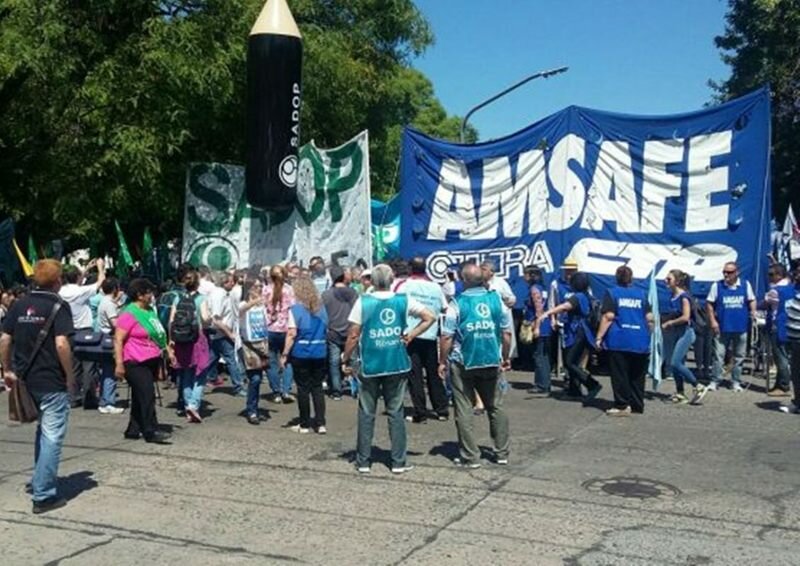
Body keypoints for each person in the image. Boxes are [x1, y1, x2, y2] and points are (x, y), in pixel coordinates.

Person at [342, 264, 435, 474]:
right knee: (396, 411)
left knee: (367, 411)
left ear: (373, 282)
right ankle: (398, 461)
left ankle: (363, 460)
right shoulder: (403, 300)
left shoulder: (363, 302)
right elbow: (430, 316)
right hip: (395, 361)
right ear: (392, 279)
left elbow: (354, 334)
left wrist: (346, 357)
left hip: (371, 363)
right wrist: (411, 334)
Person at [0, 260, 75, 514]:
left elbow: (4, 338)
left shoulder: (19, 304)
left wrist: (7, 369)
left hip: (25, 379)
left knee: (42, 432)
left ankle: (38, 481)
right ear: (57, 281)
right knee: (52, 435)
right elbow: (62, 344)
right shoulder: (58, 306)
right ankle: (44, 495)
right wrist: (70, 375)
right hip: (52, 379)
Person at [439, 263, 512, 468]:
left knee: (464, 408)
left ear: (463, 281)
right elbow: (506, 333)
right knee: (495, 406)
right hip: (490, 359)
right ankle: (501, 452)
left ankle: (470, 456)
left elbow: (447, 336)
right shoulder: (497, 300)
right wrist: (505, 357)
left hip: (463, 362)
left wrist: (442, 361)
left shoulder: (457, 303)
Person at [113, 278, 171, 444]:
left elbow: (158, 333)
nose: (151, 295)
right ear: (139, 295)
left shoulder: (150, 311)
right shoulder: (129, 313)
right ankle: (150, 429)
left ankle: (133, 429)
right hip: (134, 361)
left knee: (140, 396)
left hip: (151, 359)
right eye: (148, 292)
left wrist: (166, 350)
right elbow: (118, 339)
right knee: (147, 394)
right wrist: (119, 363)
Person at [594, 266, 652, 416]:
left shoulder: (612, 293)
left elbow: (608, 317)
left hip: (620, 339)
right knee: (637, 375)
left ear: (617, 277)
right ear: (631, 277)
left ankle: (621, 405)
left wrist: (599, 337)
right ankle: (637, 405)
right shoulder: (642, 294)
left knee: (620, 374)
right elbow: (649, 318)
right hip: (640, 339)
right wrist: (649, 335)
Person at [398, 256, 449, 422]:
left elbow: (398, 304)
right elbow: (443, 307)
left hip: (411, 334)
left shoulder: (405, 286)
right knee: (434, 373)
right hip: (430, 332)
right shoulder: (436, 287)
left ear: (411, 269)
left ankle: (420, 412)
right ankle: (442, 409)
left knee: (415, 375)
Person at [538, 272, 602, 402]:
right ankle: (574, 390)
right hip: (581, 331)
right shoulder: (587, 295)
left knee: (570, 361)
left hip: (578, 331)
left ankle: (592, 384)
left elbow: (564, 306)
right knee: (573, 361)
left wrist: (547, 313)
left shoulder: (577, 297)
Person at [282, 277, 329, 434]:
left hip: (301, 353)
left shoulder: (295, 310)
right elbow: (326, 328)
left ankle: (304, 424)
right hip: (320, 351)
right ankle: (321, 423)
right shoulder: (321, 309)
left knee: (303, 389)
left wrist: (284, 354)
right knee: (317, 388)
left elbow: (291, 333)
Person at [59, 258, 105, 408]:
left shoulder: (61, 291)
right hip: (85, 331)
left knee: (73, 365)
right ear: (78, 278)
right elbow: (100, 281)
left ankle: (73, 397)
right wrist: (100, 268)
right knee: (89, 366)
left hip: (67, 330)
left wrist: (85, 270)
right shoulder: (82, 291)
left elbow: (76, 282)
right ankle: (89, 398)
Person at [167, 271, 211, 423]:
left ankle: (187, 406)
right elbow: (205, 319)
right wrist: (210, 317)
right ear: (198, 283)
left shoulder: (177, 298)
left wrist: (171, 340)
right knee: (200, 375)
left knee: (185, 373)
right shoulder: (201, 299)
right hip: (197, 339)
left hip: (180, 340)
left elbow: (171, 320)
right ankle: (193, 404)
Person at [705, 261, 756, 392]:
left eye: (729, 272)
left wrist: (753, 312)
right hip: (722, 327)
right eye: (724, 272)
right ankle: (715, 381)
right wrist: (712, 321)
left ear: (737, 272)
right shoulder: (717, 286)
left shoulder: (745, 285)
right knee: (718, 355)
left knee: (739, 356)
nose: (726, 275)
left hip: (741, 327)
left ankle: (735, 381)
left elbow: (752, 300)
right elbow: (709, 304)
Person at [663, 270, 709, 405]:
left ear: (677, 282)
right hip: (675, 332)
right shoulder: (672, 296)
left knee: (674, 362)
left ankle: (698, 386)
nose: (666, 281)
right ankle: (680, 392)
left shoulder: (684, 297)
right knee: (677, 363)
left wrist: (670, 322)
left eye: (669, 279)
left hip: (686, 332)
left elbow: (685, 317)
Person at [206, 271, 245, 396]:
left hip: (220, 333)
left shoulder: (222, 294)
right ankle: (238, 386)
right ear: (224, 282)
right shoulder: (219, 295)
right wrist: (229, 333)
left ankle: (199, 379)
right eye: (230, 281)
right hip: (222, 333)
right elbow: (216, 319)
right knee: (231, 360)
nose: (233, 283)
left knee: (212, 358)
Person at [322, 265, 358, 400]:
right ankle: (357, 389)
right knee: (353, 360)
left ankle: (336, 391)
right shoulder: (353, 292)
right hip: (351, 330)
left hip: (333, 331)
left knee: (334, 362)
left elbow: (322, 314)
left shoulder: (326, 294)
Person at [239, 278, 270, 425]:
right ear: (249, 288)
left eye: (260, 286)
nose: (259, 289)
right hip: (249, 346)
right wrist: (254, 302)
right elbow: (240, 311)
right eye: (256, 286)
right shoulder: (244, 304)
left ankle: (254, 408)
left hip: (262, 345)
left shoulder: (263, 305)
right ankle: (251, 410)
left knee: (258, 379)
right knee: (255, 379)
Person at [264, 265, 295, 402]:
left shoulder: (266, 290)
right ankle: (286, 390)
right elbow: (293, 309)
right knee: (287, 359)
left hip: (270, 329)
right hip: (286, 329)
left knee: (271, 362)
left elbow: (262, 308)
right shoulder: (289, 289)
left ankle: (276, 391)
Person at [96, 278, 125, 415]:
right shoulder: (109, 303)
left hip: (103, 336)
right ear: (115, 289)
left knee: (106, 371)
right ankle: (108, 402)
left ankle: (104, 400)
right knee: (110, 371)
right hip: (110, 338)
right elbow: (115, 323)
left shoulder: (104, 301)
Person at [765, 264, 793, 396]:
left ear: (779, 275)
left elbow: (764, 303)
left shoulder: (775, 291)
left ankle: (784, 386)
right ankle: (779, 384)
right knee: (785, 356)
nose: (769, 277)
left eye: (771, 274)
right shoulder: (793, 287)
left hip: (778, 326)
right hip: (792, 325)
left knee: (780, 358)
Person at [525, 267, 551, 395]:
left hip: (539, 324)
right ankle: (544, 382)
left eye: (526, 274)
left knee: (539, 355)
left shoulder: (535, 289)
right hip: (545, 324)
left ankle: (542, 384)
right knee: (543, 355)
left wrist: (536, 327)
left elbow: (538, 309)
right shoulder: (543, 288)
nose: (524, 277)